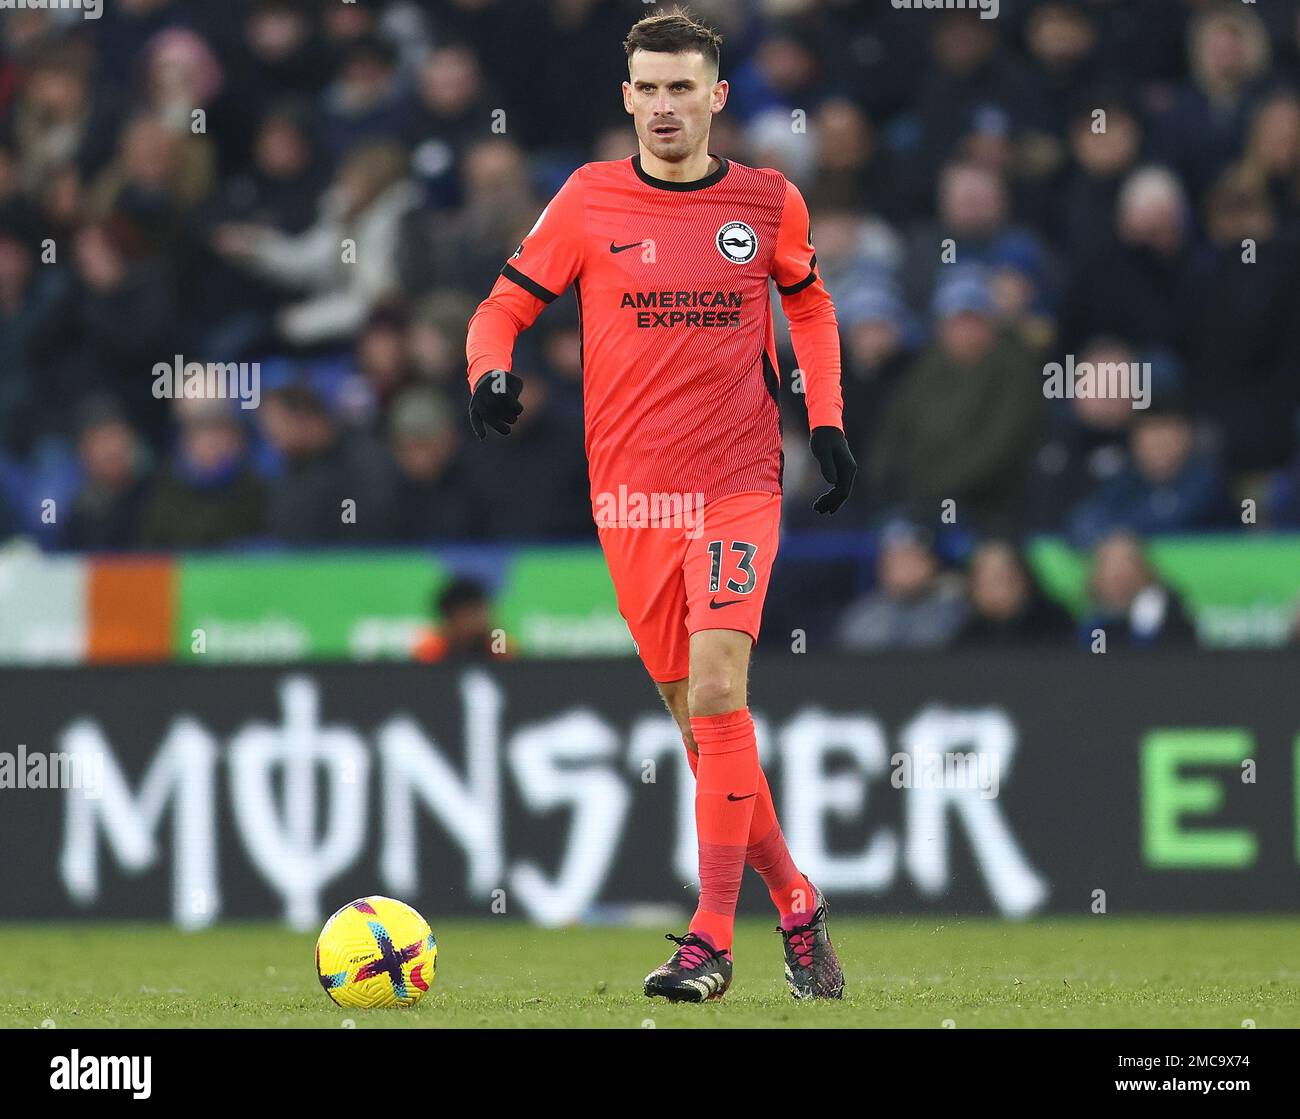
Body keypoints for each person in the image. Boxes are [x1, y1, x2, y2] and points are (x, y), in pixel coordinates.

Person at [464, 11, 852, 1003]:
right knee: (701, 729)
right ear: (626, 96)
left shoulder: (767, 204)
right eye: (651, 88)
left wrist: (829, 419)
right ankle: (797, 903)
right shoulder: (589, 201)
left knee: (720, 692)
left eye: (686, 88)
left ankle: (708, 942)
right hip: (630, 501)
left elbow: (806, 301)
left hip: (735, 486)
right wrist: (488, 374)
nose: (667, 106)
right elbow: (503, 305)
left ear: (717, 97)